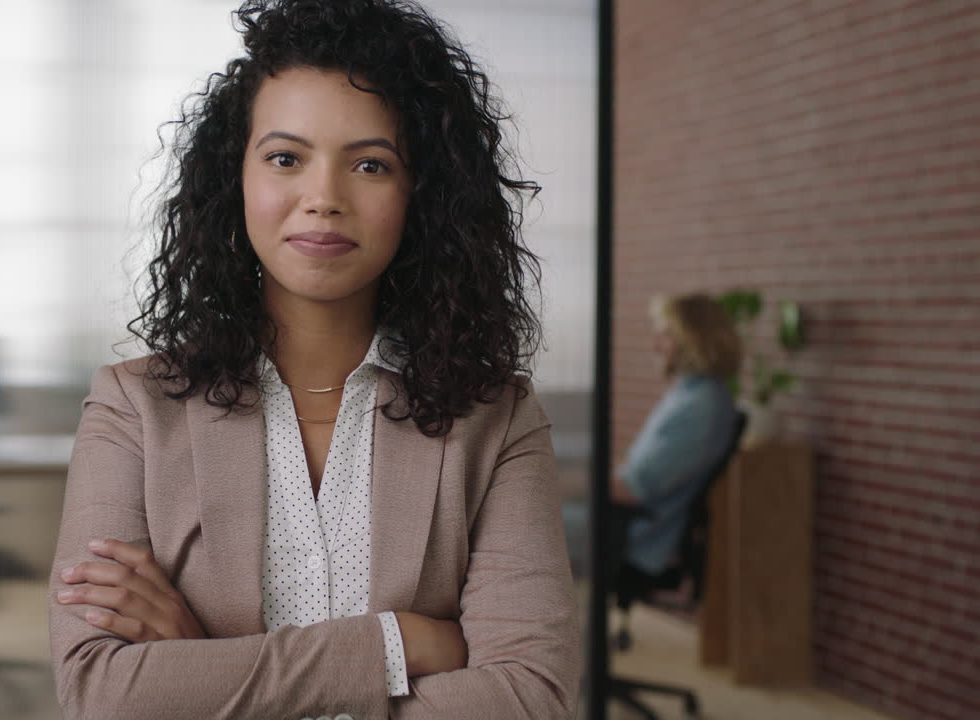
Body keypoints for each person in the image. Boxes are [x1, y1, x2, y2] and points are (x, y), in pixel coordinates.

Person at [47, 1, 580, 718]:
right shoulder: (133, 409)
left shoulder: (497, 420)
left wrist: (201, 662)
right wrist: (400, 644)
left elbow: (527, 697)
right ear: (234, 180)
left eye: (370, 164)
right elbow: (101, 694)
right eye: (285, 158)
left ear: (421, 193)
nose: (323, 198)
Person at [562, 292, 743, 579]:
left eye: (666, 335)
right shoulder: (690, 394)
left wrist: (563, 482)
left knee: (523, 523)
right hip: (621, 515)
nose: (655, 345)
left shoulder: (701, 406)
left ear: (695, 341)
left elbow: (634, 490)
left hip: (631, 533)